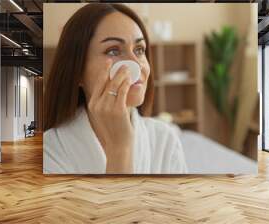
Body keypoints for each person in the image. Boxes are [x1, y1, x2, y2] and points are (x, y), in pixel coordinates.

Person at [43, 3, 188, 174]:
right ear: (78, 72)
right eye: (113, 51)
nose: (137, 65)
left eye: (139, 50)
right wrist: (120, 147)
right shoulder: (49, 149)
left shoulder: (165, 139)